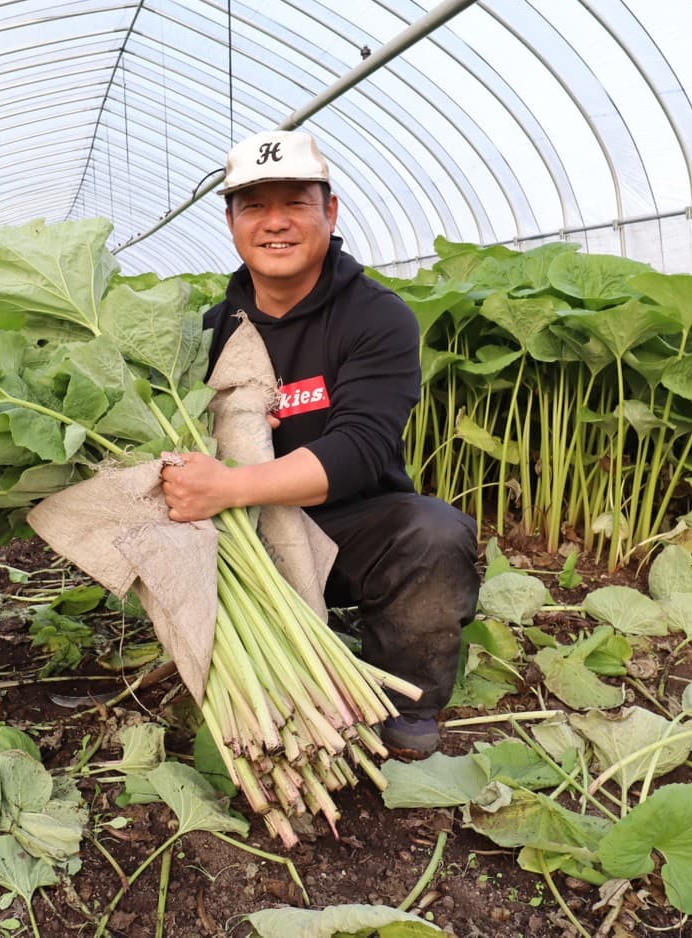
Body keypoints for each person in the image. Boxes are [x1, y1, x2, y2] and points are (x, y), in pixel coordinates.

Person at [159, 130, 480, 756]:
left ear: (329, 213)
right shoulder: (206, 333)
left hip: (346, 531)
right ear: (231, 222)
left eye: (296, 203)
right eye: (254, 206)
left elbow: (361, 448)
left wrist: (227, 484)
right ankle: (241, 673)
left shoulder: (377, 316)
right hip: (242, 538)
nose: (275, 222)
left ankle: (409, 697)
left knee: (433, 531)